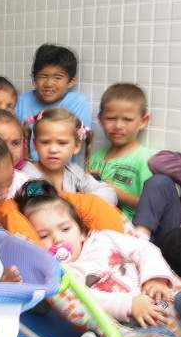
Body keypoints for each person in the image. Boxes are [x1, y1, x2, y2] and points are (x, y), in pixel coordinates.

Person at [16, 179, 180, 332]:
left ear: (81, 232)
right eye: (44, 236)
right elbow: (87, 299)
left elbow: (144, 249)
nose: (58, 239)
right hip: (133, 319)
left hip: (161, 294)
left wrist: (155, 278)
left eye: (65, 229)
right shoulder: (64, 273)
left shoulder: (103, 239)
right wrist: (130, 305)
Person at [21, 108, 116, 204]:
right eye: (45, 142)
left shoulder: (74, 171)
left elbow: (110, 196)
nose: (53, 150)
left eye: (62, 143)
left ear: (76, 146)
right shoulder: (27, 175)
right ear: (35, 145)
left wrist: (79, 201)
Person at [15, 44, 93, 161]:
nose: (49, 83)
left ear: (71, 82)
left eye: (58, 77)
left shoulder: (78, 102)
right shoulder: (22, 100)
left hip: (61, 170)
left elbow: (76, 141)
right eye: (43, 76)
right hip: (24, 169)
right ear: (34, 80)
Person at [88, 83, 154, 221]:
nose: (118, 126)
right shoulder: (95, 158)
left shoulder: (145, 160)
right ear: (101, 119)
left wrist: (116, 192)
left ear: (143, 121)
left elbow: (152, 206)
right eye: (111, 118)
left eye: (127, 120)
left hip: (128, 231)